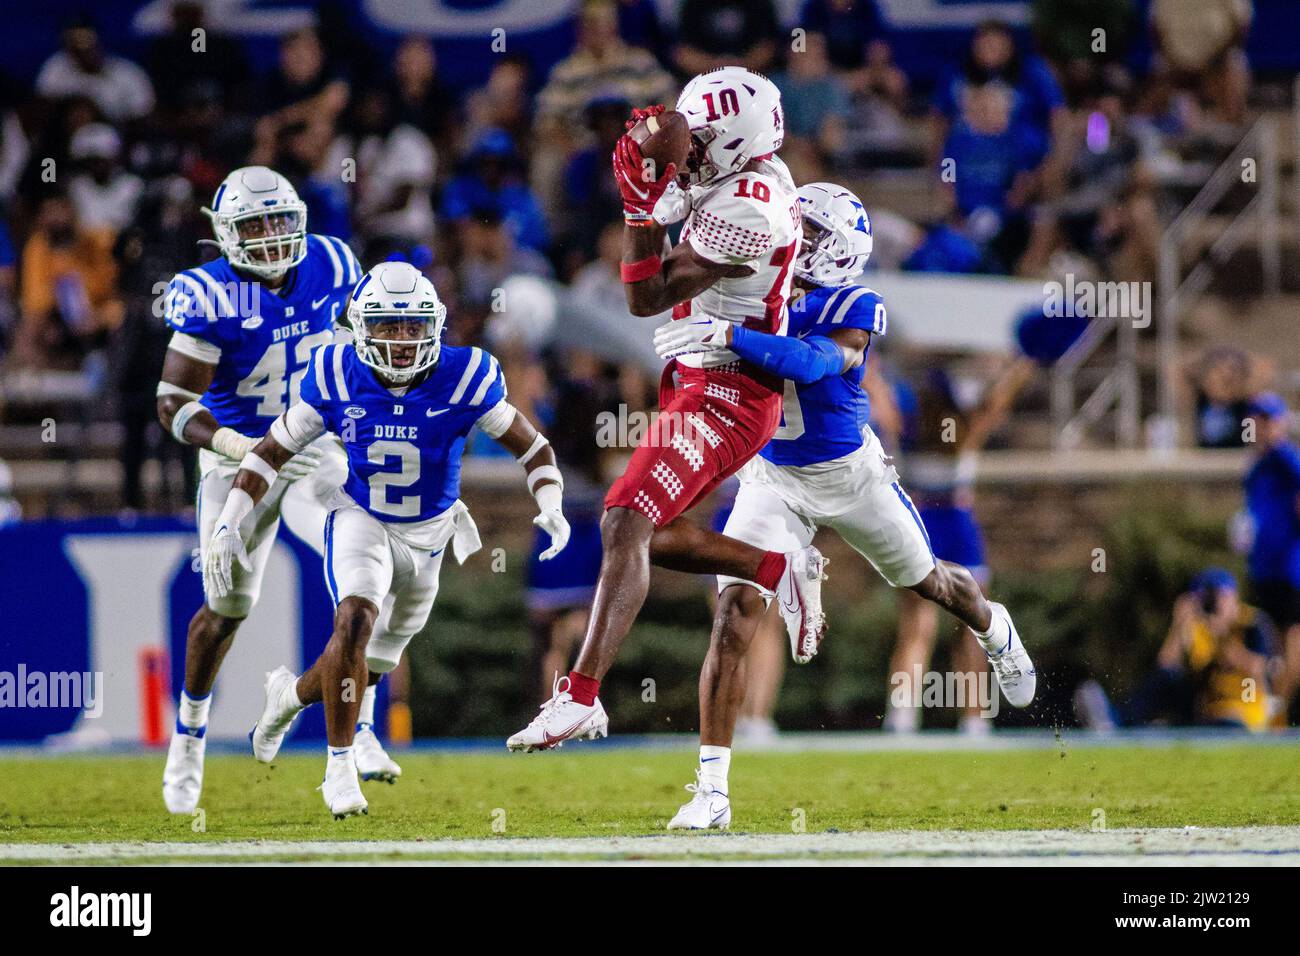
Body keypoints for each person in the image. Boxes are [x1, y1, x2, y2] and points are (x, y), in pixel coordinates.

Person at [651, 184, 1035, 828]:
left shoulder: (855, 302)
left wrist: (725, 334)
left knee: (931, 582)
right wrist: (667, 214)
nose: (792, 242)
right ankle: (712, 791)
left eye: (810, 235)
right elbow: (679, 275)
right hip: (771, 478)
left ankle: (994, 628)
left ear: (840, 250)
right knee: (734, 614)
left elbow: (811, 363)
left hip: (851, 476)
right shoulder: (753, 288)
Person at [505, 68, 829, 752]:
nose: (694, 153)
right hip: (694, 380)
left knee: (624, 517)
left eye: (706, 141)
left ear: (742, 145)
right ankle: (779, 569)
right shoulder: (729, 170)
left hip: (731, 392)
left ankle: (581, 696)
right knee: (653, 533)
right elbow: (667, 181)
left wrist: (637, 206)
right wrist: (643, 162)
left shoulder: (754, 205)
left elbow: (646, 297)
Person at [202, 262, 571, 817]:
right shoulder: (336, 372)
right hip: (361, 516)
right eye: (389, 326)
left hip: (430, 536)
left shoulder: (465, 375)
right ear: (362, 327)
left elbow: (533, 447)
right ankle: (339, 767)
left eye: (412, 326)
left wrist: (552, 505)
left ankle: (289, 697)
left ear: (434, 326)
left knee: (372, 660)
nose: (402, 340)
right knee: (354, 618)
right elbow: (270, 451)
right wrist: (231, 517)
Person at [156, 166, 403, 814]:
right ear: (224, 234)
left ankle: (365, 727)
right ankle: (190, 732)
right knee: (226, 610)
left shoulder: (330, 260)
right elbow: (172, 406)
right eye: (253, 226)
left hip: (310, 450)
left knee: (365, 573)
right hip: (233, 461)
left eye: (278, 222)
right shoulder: (206, 294)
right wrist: (235, 446)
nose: (269, 238)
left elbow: (356, 354)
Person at [1075, 568, 1276, 731]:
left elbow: (1258, 668)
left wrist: (1220, 633)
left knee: (1223, 727)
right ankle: (1114, 723)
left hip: (1241, 713)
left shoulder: (1251, 622)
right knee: (1168, 678)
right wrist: (1179, 626)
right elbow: (1166, 664)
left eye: (1217, 597)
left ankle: (1159, 731)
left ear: (1233, 596)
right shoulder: (1199, 627)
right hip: (1206, 708)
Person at [1241, 392, 1300, 720]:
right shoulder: (1257, 465)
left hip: (1289, 567)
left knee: (1292, 644)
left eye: (1265, 420)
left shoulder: (1283, 457)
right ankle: (1274, 711)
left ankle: (1277, 714)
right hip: (1263, 568)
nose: (1259, 427)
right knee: (1272, 648)